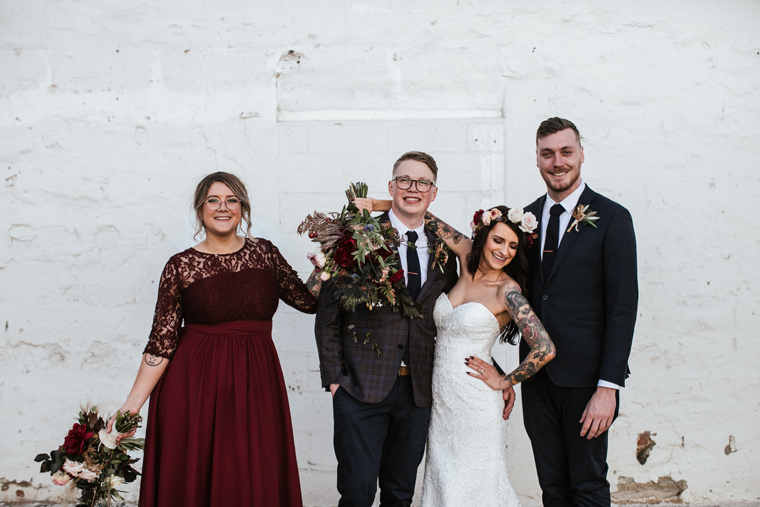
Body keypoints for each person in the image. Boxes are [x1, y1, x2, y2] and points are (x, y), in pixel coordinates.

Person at [106, 172, 322, 507]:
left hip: (257, 381)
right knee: (197, 476)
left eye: (231, 200)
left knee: (252, 472)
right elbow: (161, 343)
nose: (223, 207)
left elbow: (308, 302)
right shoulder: (180, 266)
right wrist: (131, 406)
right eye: (213, 200)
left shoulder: (265, 254)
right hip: (195, 385)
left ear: (242, 208)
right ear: (200, 209)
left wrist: (329, 265)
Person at [358, 199, 556, 506]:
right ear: (483, 237)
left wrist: (506, 381)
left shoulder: (508, 291)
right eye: (498, 240)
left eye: (513, 246)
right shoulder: (465, 256)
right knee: (444, 480)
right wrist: (376, 204)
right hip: (440, 400)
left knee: (474, 484)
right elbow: (428, 218)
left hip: (474, 402)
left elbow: (544, 348)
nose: (504, 251)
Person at [314, 151, 458, 507]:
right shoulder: (356, 238)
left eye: (423, 182)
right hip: (360, 389)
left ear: (433, 193)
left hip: (418, 391)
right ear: (391, 187)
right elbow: (328, 314)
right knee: (357, 492)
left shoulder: (444, 250)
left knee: (400, 493)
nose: (414, 188)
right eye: (405, 180)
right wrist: (336, 381)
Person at [522, 117, 638, 506]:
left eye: (566, 152)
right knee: (552, 489)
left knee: (587, 486)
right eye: (547, 153)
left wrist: (609, 388)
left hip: (588, 381)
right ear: (537, 159)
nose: (558, 162)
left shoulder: (613, 218)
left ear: (581, 155)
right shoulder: (525, 219)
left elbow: (623, 307)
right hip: (537, 379)